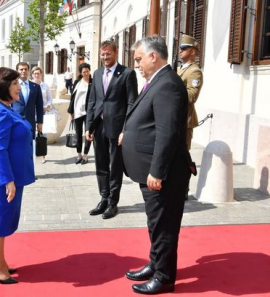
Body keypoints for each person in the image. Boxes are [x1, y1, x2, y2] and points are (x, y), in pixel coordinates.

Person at [121, 35, 192, 295]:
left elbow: (168, 133)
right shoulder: (158, 81)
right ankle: (156, 263)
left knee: (163, 226)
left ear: (154, 56)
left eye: (139, 59)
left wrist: (156, 171)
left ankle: (164, 277)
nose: (137, 65)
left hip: (163, 173)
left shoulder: (168, 85)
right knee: (155, 223)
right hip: (151, 170)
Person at [0, 67, 35, 285]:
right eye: (15, 84)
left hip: (7, 177)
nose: (19, 87)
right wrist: (8, 181)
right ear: (3, 87)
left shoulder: (6, 108)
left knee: (1, 223)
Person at [85, 40, 138, 219]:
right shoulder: (97, 73)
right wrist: (88, 126)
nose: (105, 57)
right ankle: (104, 198)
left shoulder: (127, 73)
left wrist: (126, 129)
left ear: (116, 53)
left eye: (108, 54)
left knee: (115, 165)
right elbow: (92, 101)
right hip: (98, 126)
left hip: (117, 127)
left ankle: (113, 202)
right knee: (101, 164)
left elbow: (132, 103)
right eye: (102, 54)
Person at [12, 62, 44, 160]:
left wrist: (40, 122)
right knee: (16, 147)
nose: (23, 71)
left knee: (29, 148)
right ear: (17, 71)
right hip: (16, 121)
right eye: (21, 69)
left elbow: (39, 106)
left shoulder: (35, 87)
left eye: (26, 69)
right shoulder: (11, 86)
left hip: (30, 122)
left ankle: (30, 173)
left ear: (28, 71)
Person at [177, 34, 203, 150]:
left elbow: (192, 96)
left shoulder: (194, 71)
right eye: (180, 48)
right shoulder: (178, 69)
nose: (180, 50)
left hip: (184, 119)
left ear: (192, 52)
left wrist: (172, 95)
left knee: (182, 154)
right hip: (175, 116)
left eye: (184, 48)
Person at [67, 63, 92, 165]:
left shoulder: (93, 82)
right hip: (77, 112)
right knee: (78, 134)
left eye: (87, 71)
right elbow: (72, 98)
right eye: (84, 72)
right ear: (81, 73)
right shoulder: (77, 82)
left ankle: (85, 155)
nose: (86, 73)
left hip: (89, 113)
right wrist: (70, 112)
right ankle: (79, 155)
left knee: (88, 134)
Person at [31, 66, 52, 164]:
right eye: (35, 73)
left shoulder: (45, 86)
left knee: (42, 134)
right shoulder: (30, 85)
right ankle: (32, 154)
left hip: (43, 112)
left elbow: (49, 99)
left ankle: (43, 155)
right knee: (31, 134)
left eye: (38, 73)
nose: (36, 75)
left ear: (41, 74)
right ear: (32, 75)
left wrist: (47, 105)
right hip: (32, 112)